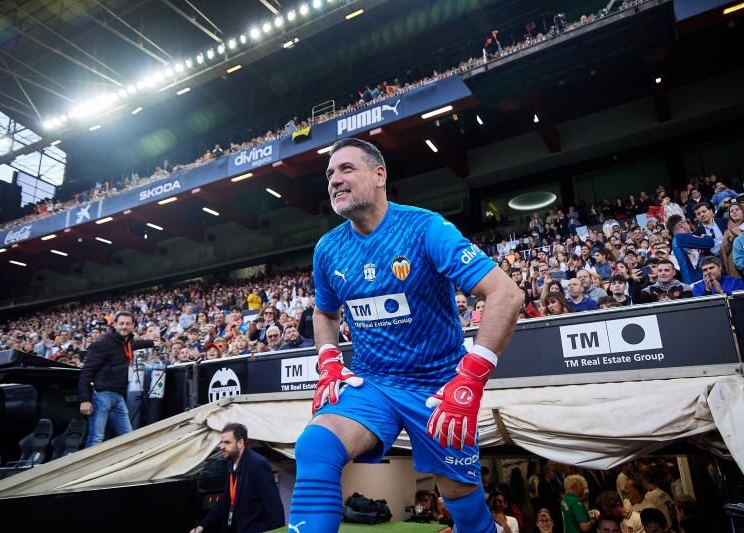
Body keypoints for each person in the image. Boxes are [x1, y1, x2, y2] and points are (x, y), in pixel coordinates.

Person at [287, 138, 523, 533]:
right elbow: (324, 312)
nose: (335, 180)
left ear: (379, 175)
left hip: (437, 385)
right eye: (330, 174)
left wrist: (470, 380)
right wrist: (329, 361)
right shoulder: (328, 249)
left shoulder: (424, 227)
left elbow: (506, 293)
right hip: (373, 381)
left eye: (346, 169)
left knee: (459, 496)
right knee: (315, 446)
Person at [78, 311, 155, 447]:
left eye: (127, 324)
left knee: (128, 437)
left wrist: (153, 343)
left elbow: (137, 344)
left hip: (119, 396)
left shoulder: (127, 343)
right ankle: (90, 468)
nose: (124, 327)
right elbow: (86, 372)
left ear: (133, 326)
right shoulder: (103, 343)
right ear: (114, 325)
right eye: (121, 324)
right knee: (96, 437)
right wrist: (85, 399)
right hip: (102, 396)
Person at [190, 423, 284, 533]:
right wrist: (202, 525)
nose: (222, 447)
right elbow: (225, 500)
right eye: (222, 442)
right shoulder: (231, 463)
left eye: (227, 443)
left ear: (240, 443)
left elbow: (274, 506)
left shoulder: (258, 465)